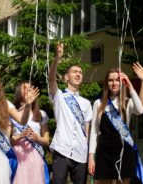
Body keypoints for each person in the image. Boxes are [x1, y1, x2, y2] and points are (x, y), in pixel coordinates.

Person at [88, 68, 143, 184]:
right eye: (110, 80)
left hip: (124, 148)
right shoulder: (98, 103)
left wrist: (130, 86)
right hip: (104, 150)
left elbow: (140, 110)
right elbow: (94, 132)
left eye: (117, 80)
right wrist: (91, 157)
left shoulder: (128, 102)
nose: (114, 83)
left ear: (122, 82)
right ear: (106, 83)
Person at [47, 43, 92, 184]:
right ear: (66, 77)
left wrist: (89, 152)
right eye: (74, 72)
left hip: (81, 152)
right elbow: (51, 79)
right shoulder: (59, 96)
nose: (78, 74)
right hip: (62, 149)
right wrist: (57, 58)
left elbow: (87, 129)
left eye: (80, 72)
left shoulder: (86, 103)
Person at [11, 81, 50, 184]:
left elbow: (47, 141)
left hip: (35, 156)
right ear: (19, 92)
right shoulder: (12, 113)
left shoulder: (41, 114)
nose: (28, 89)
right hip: (18, 155)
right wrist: (21, 135)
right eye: (25, 88)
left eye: (30, 87)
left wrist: (37, 138)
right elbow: (8, 141)